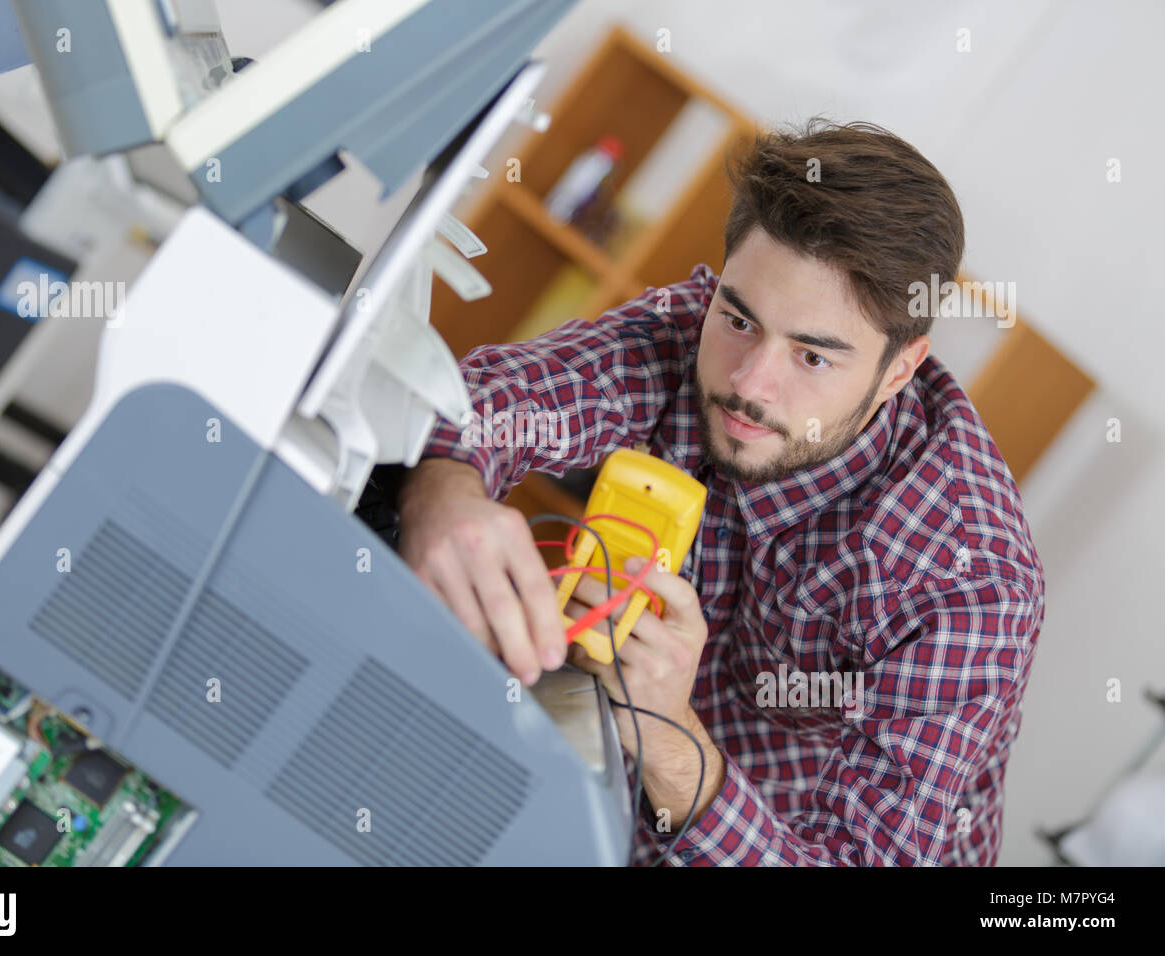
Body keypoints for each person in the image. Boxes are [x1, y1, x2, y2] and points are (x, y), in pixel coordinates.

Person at [395, 119, 1045, 866]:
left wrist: (668, 732)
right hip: (600, 796)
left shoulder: (970, 581)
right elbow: (485, 405)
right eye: (739, 319)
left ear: (898, 373)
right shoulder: (689, 332)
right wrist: (442, 492)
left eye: (812, 355)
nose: (747, 384)